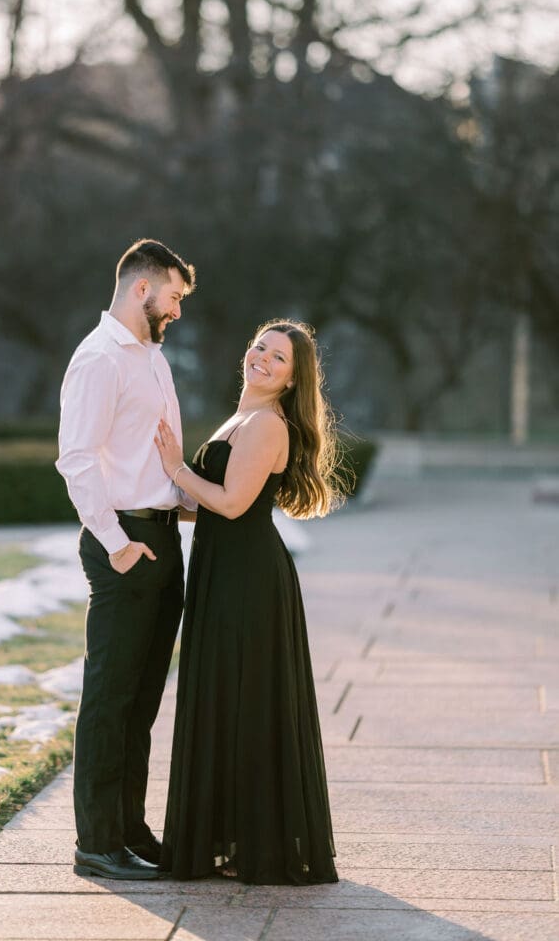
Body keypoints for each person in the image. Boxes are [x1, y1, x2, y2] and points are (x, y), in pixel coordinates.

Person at [154, 319, 344, 885]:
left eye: (278, 358)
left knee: (248, 702)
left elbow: (234, 504)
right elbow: (215, 502)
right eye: (260, 347)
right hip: (226, 574)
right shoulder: (242, 417)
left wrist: (176, 468)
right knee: (230, 700)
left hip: (248, 582)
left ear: (291, 380)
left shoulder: (265, 424)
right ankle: (237, 837)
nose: (262, 359)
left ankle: (259, 844)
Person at [56, 238, 196, 881]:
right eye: (172, 297)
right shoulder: (98, 360)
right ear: (142, 289)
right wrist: (117, 546)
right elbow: (77, 459)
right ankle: (96, 844)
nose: (176, 310)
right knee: (109, 700)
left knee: (141, 702)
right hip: (125, 546)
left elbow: (154, 456)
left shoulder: (153, 359)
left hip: (162, 538)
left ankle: (129, 829)